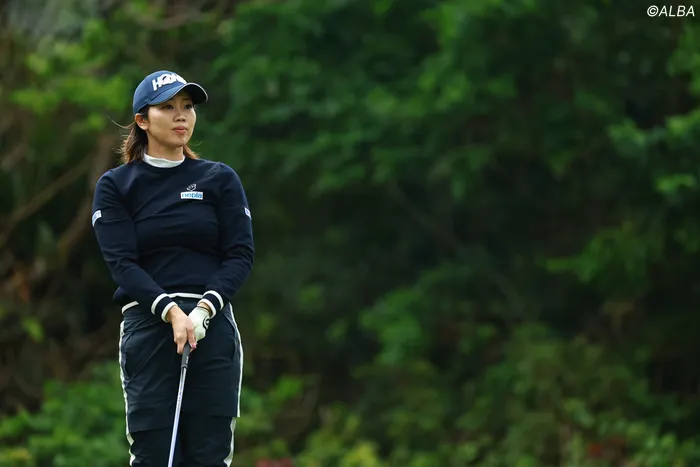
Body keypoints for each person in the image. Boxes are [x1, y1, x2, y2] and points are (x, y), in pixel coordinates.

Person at [91, 70, 255, 466]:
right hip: (149, 328)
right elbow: (122, 263)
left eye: (187, 107)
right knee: (154, 456)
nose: (181, 115)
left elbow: (240, 254)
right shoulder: (117, 186)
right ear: (143, 120)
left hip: (211, 324)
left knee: (210, 456)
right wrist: (171, 312)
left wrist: (202, 310)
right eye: (167, 107)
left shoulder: (219, 179)